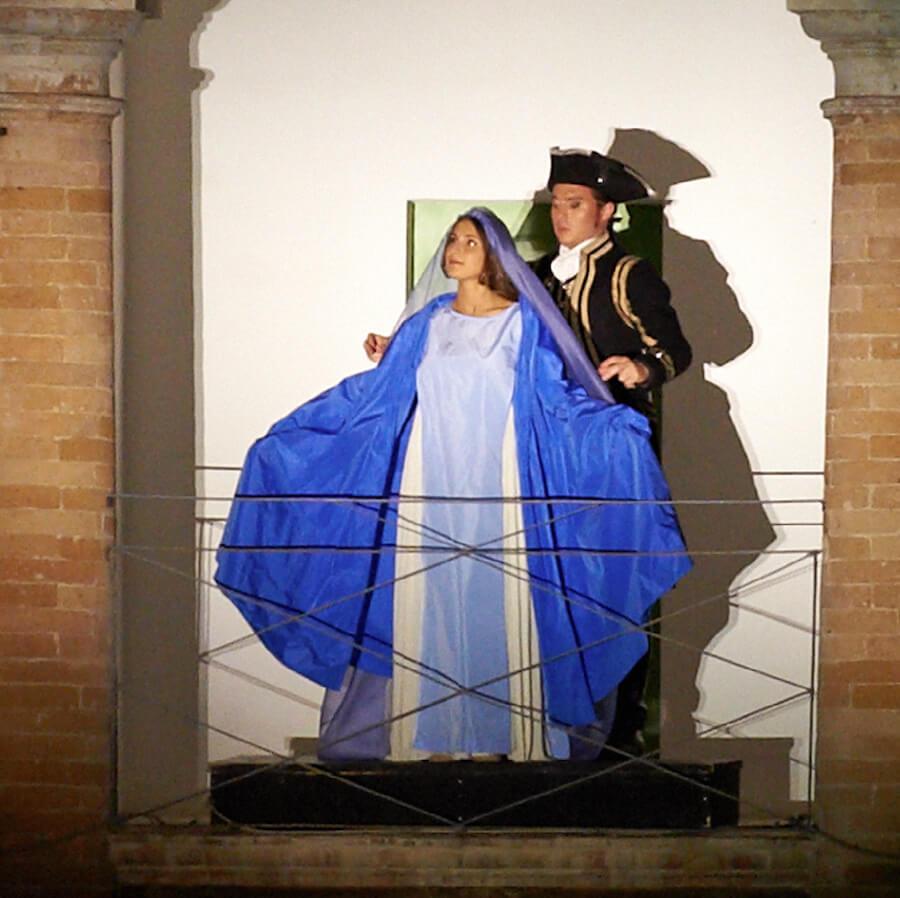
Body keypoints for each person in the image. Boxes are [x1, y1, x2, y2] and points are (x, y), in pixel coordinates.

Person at [216, 208, 690, 762]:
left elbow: (553, 398)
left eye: (469, 241)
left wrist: (612, 429)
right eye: (453, 239)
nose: (455, 250)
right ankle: (428, 738)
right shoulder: (427, 323)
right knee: (427, 601)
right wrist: (299, 442)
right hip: (430, 483)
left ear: (494, 256)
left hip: (502, 486)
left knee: (498, 601)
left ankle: (501, 737)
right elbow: (381, 395)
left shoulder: (523, 323)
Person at [533, 147, 692, 754]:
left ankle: (621, 731)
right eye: (557, 204)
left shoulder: (628, 274)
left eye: (574, 205)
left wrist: (641, 367)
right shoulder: (537, 275)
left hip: (612, 450)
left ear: (604, 212)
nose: (561, 215)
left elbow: (675, 347)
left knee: (617, 580)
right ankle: (552, 727)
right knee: (552, 581)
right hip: (550, 447)